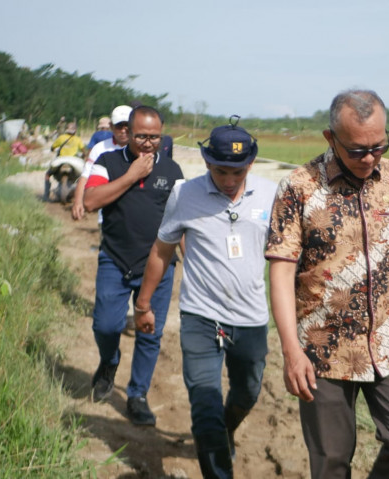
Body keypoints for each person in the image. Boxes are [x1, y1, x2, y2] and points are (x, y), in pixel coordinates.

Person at [265, 89, 389, 479]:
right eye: (357, 150)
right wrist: (290, 350)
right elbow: (281, 271)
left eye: (378, 146)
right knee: (332, 462)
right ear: (330, 138)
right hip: (323, 346)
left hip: (388, 338)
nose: (369, 158)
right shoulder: (299, 187)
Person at [135, 116, 276, 477]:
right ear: (207, 162)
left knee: (246, 392)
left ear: (251, 164)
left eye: (237, 173)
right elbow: (162, 251)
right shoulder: (185, 193)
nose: (229, 181)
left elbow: (288, 258)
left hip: (251, 318)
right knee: (204, 400)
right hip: (200, 316)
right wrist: (144, 304)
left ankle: (226, 427)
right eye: (220, 172)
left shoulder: (271, 194)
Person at [83, 105, 184, 426]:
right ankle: (109, 361)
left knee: (149, 334)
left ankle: (137, 394)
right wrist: (132, 176)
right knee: (106, 325)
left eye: (154, 137)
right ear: (128, 131)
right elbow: (90, 201)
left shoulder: (173, 171)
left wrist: (193, 262)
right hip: (114, 258)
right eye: (141, 135)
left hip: (159, 265)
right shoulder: (108, 162)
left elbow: (180, 222)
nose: (147, 143)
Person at [71, 105, 132, 220]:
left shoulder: (141, 149)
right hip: (107, 214)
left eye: (127, 126)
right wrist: (78, 202)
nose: (124, 130)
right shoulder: (100, 149)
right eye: (119, 126)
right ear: (111, 127)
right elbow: (85, 176)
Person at [44, 122, 87, 201]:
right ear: (75, 130)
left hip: (60, 161)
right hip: (74, 162)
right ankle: (81, 197)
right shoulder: (78, 139)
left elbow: (52, 147)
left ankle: (46, 196)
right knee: (83, 176)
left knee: (47, 174)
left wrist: (53, 149)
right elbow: (84, 151)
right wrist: (84, 155)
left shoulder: (61, 137)